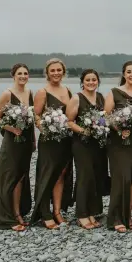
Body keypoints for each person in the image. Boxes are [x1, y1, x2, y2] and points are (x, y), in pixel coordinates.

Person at [0, 63, 35, 232]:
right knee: (9, 176)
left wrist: (33, 140)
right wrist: (11, 128)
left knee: (21, 176)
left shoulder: (30, 93)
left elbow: (31, 120)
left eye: (25, 73)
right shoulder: (7, 94)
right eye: (20, 73)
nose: (23, 76)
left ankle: (17, 213)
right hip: (12, 141)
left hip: (25, 141)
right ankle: (4, 215)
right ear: (13, 75)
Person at [31, 58, 74, 229]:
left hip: (66, 140)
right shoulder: (42, 92)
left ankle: (57, 211)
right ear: (47, 73)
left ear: (63, 71)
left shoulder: (68, 90)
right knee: (48, 174)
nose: (56, 73)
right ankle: (45, 213)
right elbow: (36, 116)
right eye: (53, 70)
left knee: (62, 173)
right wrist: (45, 128)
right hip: (49, 141)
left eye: (59, 70)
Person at [105, 61, 132, 233]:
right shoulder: (114, 93)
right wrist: (119, 128)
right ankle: (115, 217)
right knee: (121, 178)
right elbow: (106, 117)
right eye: (128, 71)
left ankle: (128, 215)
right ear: (123, 74)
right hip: (118, 143)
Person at [66, 69, 106, 229]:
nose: (91, 82)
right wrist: (85, 131)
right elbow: (69, 121)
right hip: (82, 144)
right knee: (85, 176)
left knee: (96, 176)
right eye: (88, 80)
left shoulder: (101, 97)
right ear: (82, 82)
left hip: (98, 144)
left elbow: (105, 118)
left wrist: (101, 128)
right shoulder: (77, 98)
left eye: (94, 80)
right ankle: (82, 214)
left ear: (98, 81)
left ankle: (92, 212)